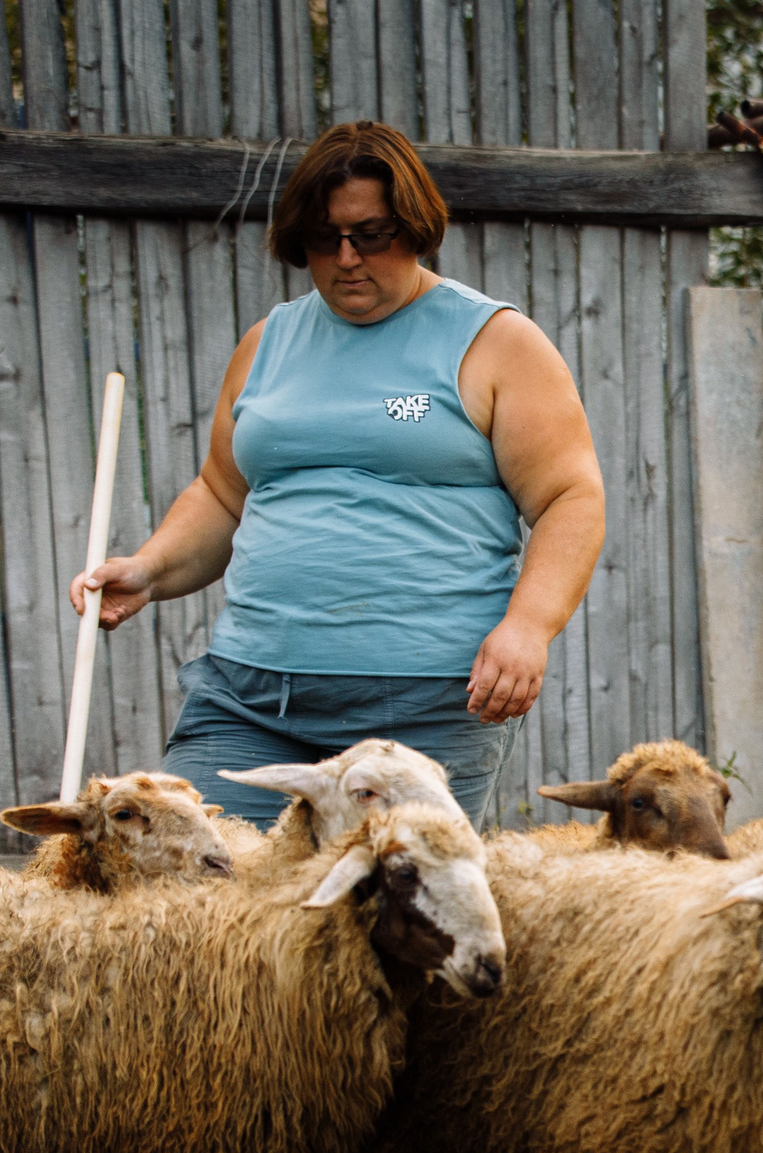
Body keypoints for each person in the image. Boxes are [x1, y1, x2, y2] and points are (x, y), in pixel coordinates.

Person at [70, 120, 604, 826]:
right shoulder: (268, 343)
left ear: (415, 228)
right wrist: (149, 568)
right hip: (250, 694)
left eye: (371, 234)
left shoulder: (494, 342)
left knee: (392, 916)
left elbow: (572, 496)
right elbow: (224, 496)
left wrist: (529, 625)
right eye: (325, 239)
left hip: (421, 706)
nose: (347, 258)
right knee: (199, 896)